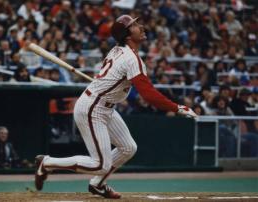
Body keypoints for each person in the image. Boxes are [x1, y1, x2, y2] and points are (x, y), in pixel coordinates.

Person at [34, 15, 197, 199]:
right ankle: (47, 163)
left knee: (128, 148)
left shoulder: (120, 50)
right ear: (127, 35)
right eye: (135, 25)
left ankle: (97, 184)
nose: (141, 27)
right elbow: (148, 94)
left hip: (105, 105)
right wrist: (177, 107)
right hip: (92, 108)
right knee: (100, 164)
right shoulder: (130, 58)